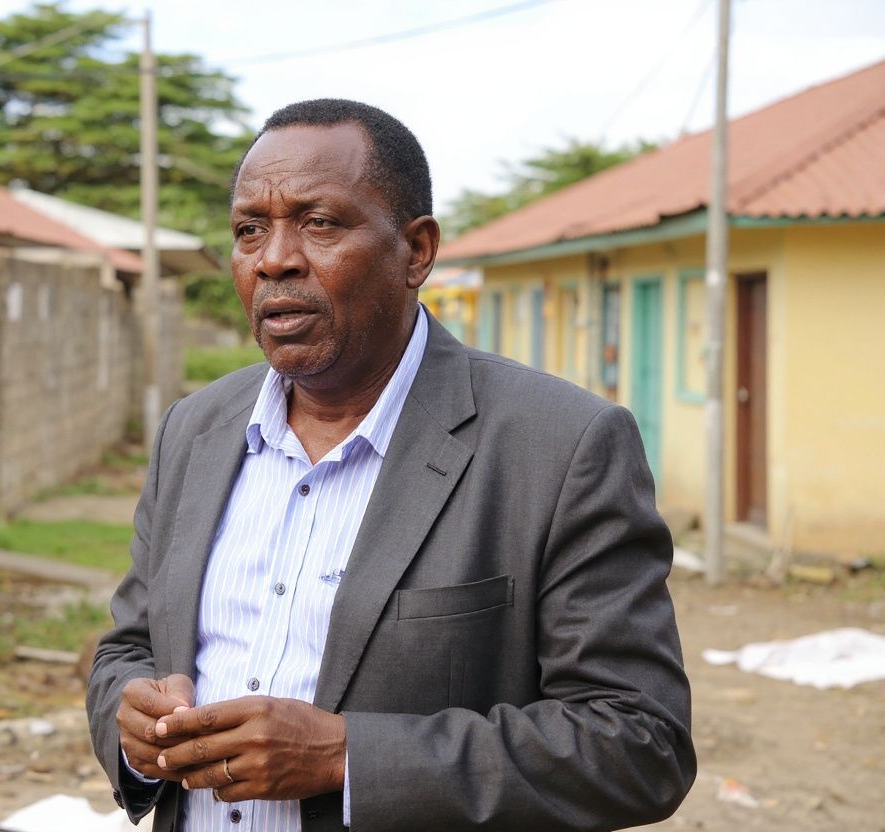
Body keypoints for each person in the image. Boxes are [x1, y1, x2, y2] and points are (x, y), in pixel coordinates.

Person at [87, 99, 695, 832]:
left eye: (320, 223)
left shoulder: (560, 447)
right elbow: (131, 643)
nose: (273, 258)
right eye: (250, 229)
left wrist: (349, 758)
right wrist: (132, 719)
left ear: (416, 252)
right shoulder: (194, 430)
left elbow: (638, 742)